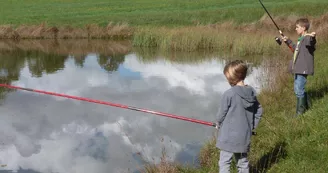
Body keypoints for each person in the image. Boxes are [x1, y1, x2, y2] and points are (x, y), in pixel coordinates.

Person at [216, 60, 263, 173]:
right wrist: (252, 126)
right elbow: (259, 110)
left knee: (224, 162)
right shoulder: (251, 93)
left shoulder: (229, 94)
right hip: (244, 136)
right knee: (242, 163)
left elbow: (222, 113)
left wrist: (218, 123)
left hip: (228, 137)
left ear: (232, 78)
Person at [280, 18, 316, 116]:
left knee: (299, 89)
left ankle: (299, 114)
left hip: (303, 69)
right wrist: (288, 41)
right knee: (297, 89)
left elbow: (311, 43)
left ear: (303, 28)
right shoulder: (301, 39)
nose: (295, 29)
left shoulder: (307, 38)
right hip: (298, 68)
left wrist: (312, 36)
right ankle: (307, 106)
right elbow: (296, 49)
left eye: (297, 27)